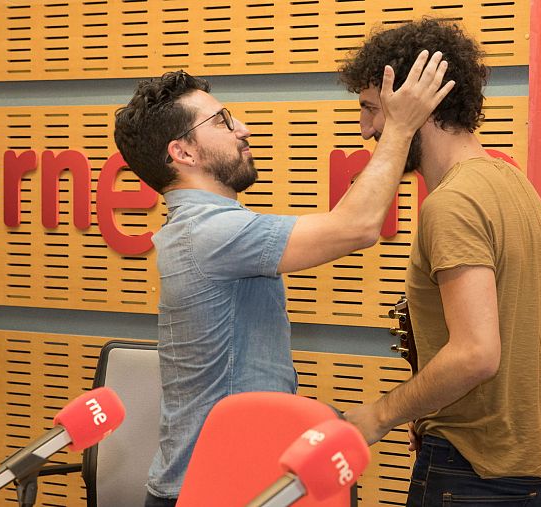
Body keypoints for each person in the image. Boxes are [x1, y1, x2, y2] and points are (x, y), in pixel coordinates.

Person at [113, 53, 453, 507]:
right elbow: (356, 227)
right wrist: (400, 128)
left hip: (229, 482)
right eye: (222, 120)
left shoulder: (207, 229)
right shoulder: (208, 234)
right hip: (214, 490)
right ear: (183, 152)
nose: (242, 129)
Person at [340, 19, 541, 506]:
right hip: (524, 463)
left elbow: (476, 354)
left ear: (415, 105)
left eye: (370, 109)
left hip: (473, 470)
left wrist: (380, 415)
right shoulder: (512, 183)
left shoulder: (452, 204)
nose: (365, 131)